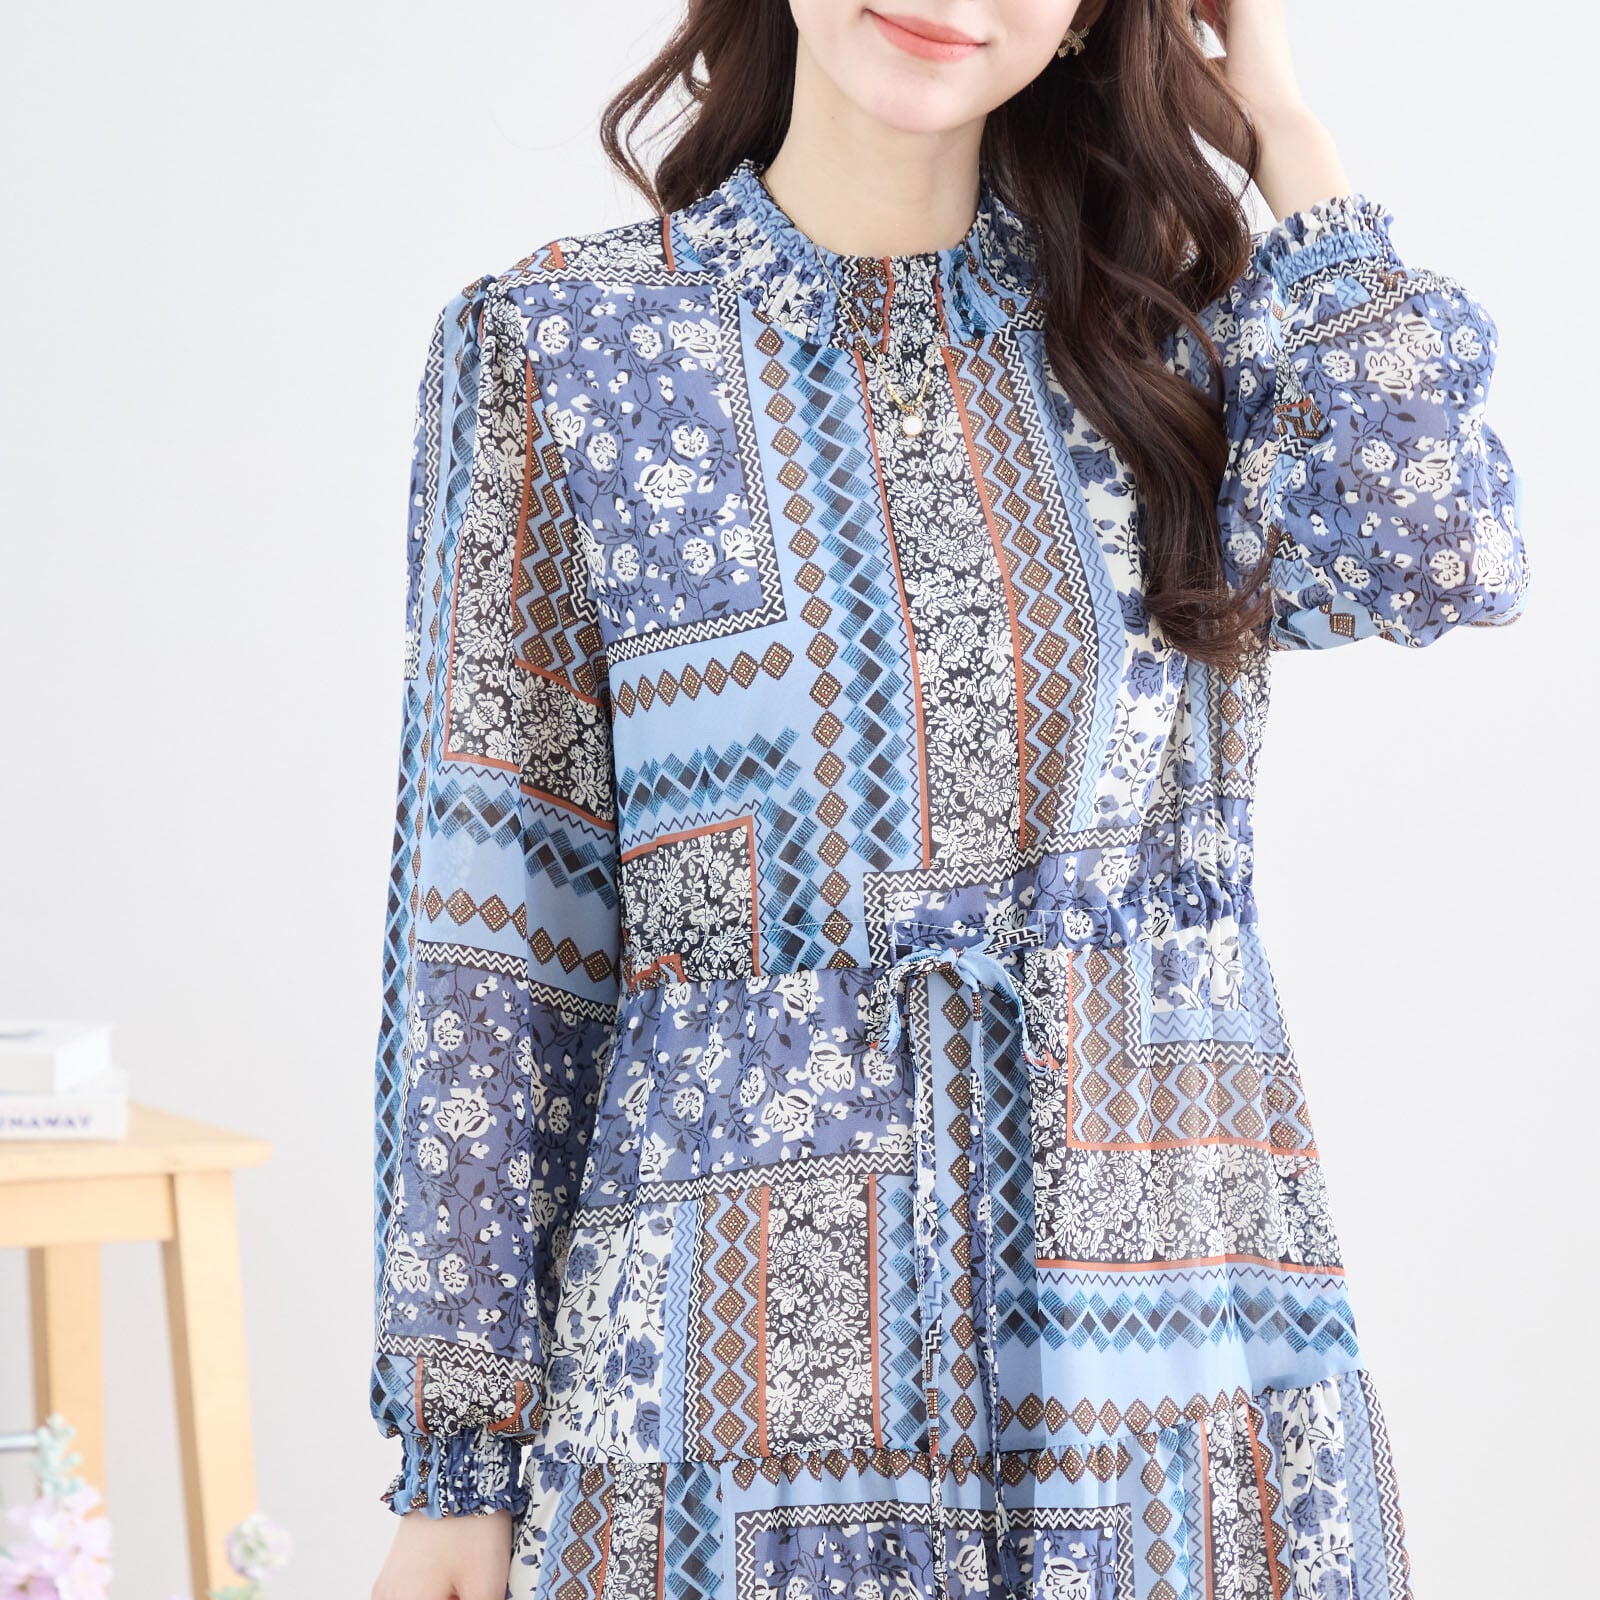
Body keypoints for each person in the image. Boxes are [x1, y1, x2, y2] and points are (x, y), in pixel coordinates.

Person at [369, 2, 1530, 1597]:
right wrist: (459, 1467)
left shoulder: (1177, 346)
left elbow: (1433, 550)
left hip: (1167, 1381)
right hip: (734, 1414)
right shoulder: (569, 348)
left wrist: (1290, 145)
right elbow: (499, 938)